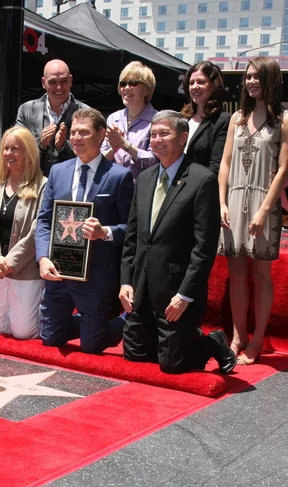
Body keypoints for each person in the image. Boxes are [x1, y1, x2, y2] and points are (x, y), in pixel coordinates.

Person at [120, 110, 236, 375]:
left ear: (183, 138)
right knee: (135, 356)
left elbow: (204, 248)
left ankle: (211, 342)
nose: (157, 139)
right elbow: (132, 238)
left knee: (172, 365)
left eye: (164, 134)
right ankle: (171, 341)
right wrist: (126, 282)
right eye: (153, 134)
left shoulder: (202, 180)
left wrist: (185, 295)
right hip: (142, 290)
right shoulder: (145, 180)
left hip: (176, 294)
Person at [36, 108, 134, 354]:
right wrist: (43, 258)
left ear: (101, 135)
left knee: (92, 347)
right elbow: (44, 220)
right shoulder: (58, 172)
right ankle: (90, 324)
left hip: (96, 277)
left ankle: (125, 321)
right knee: (50, 339)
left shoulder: (119, 176)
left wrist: (105, 232)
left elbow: (131, 228)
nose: (76, 138)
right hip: (59, 271)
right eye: (73, 132)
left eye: (84, 132)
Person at [218, 57, 288, 365]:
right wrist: (221, 202)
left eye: (257, 76)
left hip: (264, 204)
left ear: (270, 79)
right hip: (233, 202)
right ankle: (237, 337)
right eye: (248, 76)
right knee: (235, 275)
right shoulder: (236, 118)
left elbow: (284, 168)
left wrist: (264, 210)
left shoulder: (284, 120)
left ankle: (257, 340)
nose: (251, 81)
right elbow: (225, 163)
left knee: (260, 275)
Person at [0, 126, 47, 339]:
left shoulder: (42, 186)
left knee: (24, 332)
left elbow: (38, 229)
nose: (9, 154)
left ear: (29, 153)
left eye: (16, 149)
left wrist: (10, 262)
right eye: (6, 148)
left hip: (25, 270)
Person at [15, 59, 89, 176]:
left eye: (64, 81)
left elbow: (91, 154)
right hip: (34, 186)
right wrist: (40, 144)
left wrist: (64, 146)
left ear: (71, 80)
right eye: (53, 82)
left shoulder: (87, 113)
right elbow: (16, 149)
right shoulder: (26, 110)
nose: (59, 87)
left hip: (72, 186)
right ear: (43, 83)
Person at [102, 61, 158, 182]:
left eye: (133, 83)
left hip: (142, 190)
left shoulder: (157, 120)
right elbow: (100, 159)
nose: (126, 88)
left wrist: (125, 144)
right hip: (113, 187)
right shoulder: (113, 118)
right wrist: (113, 149)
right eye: (123, 84)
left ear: (147, 90)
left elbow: (155, 160)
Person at [182, 61, 230, 175]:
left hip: (202, 187)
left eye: (201, 82)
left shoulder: (223, 120)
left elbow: (216, 166)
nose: (195, 87)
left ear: (214, 85)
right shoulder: (183, 118)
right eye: (191, 83)